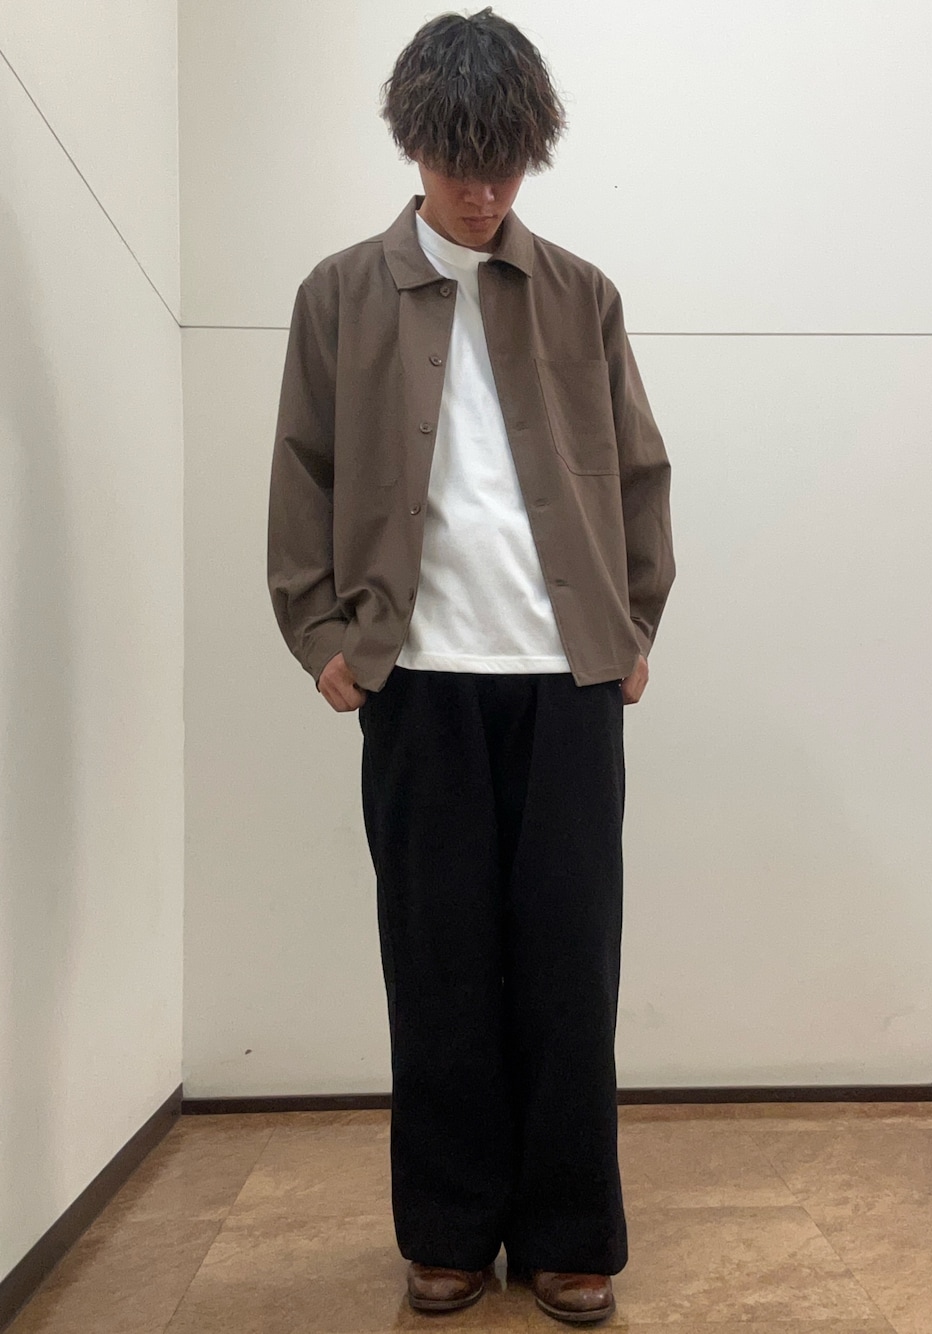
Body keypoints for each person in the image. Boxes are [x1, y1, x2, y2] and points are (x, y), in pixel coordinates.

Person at [266, 7, 674, 1324]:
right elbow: (303, 470)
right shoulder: (340, 294)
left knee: (570, 963)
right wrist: (321, 635)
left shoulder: (581, 295)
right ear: (416, 144)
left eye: (505, 164)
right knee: (437, 964)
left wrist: (633, 628)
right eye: (459, 161)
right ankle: (446, 1228)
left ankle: (568, 1231)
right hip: (419, 678)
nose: (483, 191)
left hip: (566, 680)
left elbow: (638, 470)